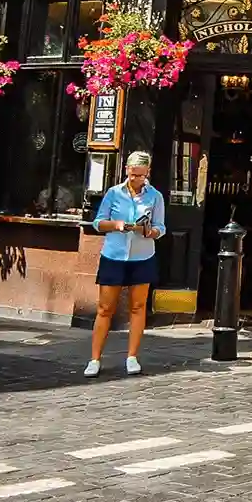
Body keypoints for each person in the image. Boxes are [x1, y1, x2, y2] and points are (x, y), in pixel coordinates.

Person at [85, 152, 166, 376]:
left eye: (140, 175)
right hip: (114, 255)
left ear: (147, 173)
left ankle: (132, 357)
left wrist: (151, 231)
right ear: (126, 171)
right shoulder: (113, 193)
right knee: (105, 308)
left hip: (142, 256)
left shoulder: (155, 196)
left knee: (138, 307)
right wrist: (116, 225)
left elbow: (161, 227)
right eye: (132, 175)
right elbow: (98, 222)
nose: (135, 179)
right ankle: (94, 359)